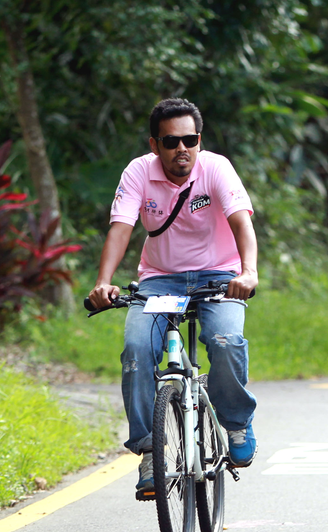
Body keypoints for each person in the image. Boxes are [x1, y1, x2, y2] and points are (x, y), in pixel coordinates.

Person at [87, 98, 259, 499]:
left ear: (199, 140)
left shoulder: (215, 167)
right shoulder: (137, 173)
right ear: (154, 144)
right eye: (171, 141)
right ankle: (150, 450)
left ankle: (235, 423)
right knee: (135, 350)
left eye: (190, 139)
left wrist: (247, 272)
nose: (182, 148)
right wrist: (103, 281)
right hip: (160, 281)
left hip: (220, 277)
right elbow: (120, 229)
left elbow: (241, 223)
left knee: (225, 341)